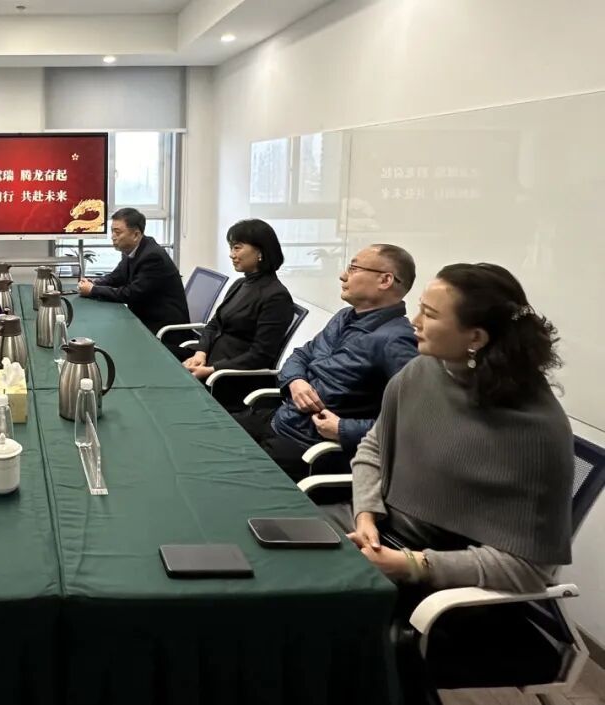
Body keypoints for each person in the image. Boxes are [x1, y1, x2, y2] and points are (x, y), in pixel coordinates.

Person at [345, 263, 572, 703]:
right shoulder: (422, 372)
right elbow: (373, 447)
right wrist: (366, 513)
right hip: (386, 543)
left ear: (476, 337)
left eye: (430, 314)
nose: (414, 321)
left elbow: (528, 570)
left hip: (456, 593)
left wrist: (410, 565)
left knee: (324, 625)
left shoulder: (535, 430)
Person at [234, 244, 418, 481]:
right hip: (280, 419)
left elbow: (411, 425)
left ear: (385, 280)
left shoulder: (398, 341)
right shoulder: (344, 317)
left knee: (221, 476)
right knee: (206, 434)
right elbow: (300, 355)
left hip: (308, 449)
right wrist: (296, 381)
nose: (343, 275)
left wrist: (343, 429)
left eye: (353, 268)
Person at [182, 219, 294, 411]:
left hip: (232, 380)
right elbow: (214, 324)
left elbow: (260, 356)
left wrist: (212, 370)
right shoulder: (240, 284)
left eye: (237, 248)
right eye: (231, 248)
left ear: (260, 252)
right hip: (210, 364)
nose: (231, 254)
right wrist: (201, 352)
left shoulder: (276, 297)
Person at [78, 208, 190, 349]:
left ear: (136, 234)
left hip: (163, 333)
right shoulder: (132, 250)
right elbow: (116, 277)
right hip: (143, 321)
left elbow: (131, 293)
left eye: (118, 232)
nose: (113, 237)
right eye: (112, 231)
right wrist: (95, 282)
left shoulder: (152, 257)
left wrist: (93, 290)